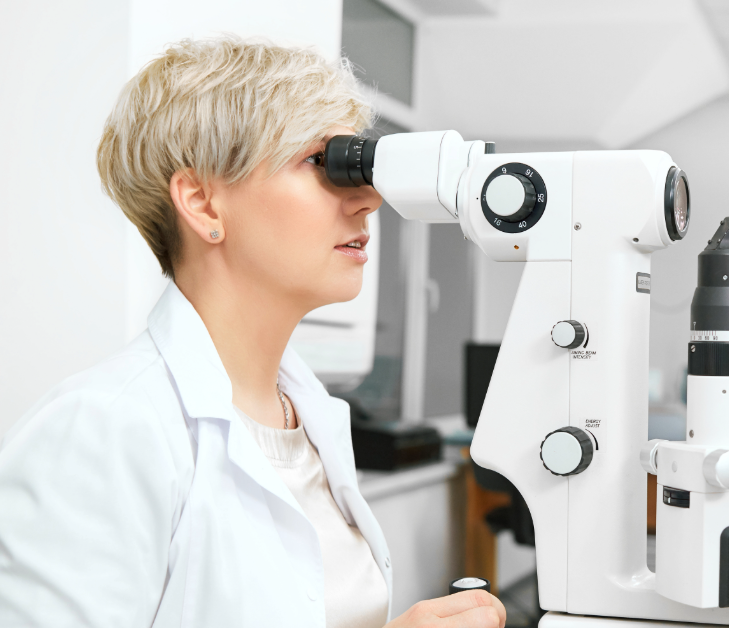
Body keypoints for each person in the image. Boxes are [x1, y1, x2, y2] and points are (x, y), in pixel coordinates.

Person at [0, 38, 506, 628]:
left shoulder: (311, 418)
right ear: (203, 203)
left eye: (362, 167)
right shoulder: (103, 430)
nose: (368, 198)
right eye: (324, 163)